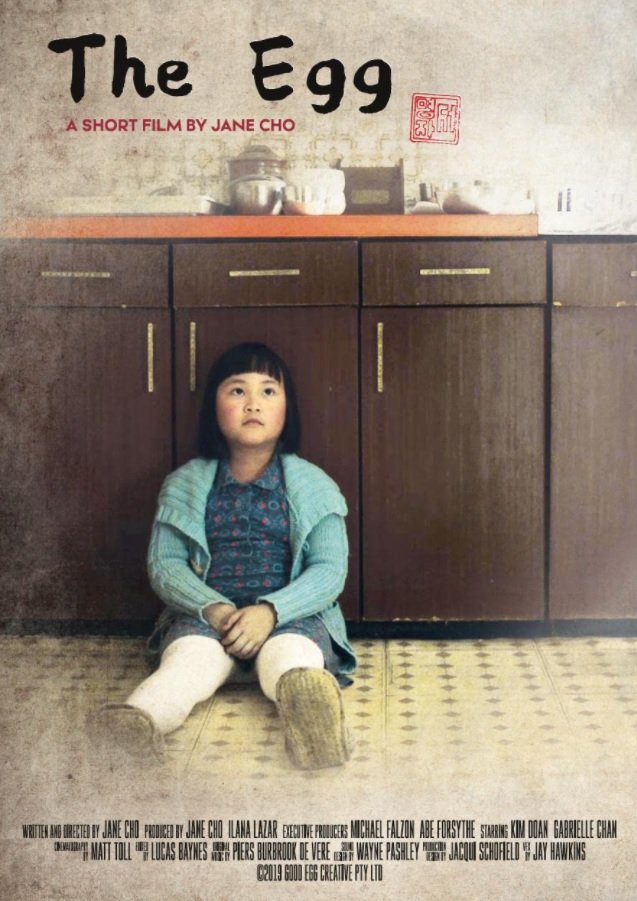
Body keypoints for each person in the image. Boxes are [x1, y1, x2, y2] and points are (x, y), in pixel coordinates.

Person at [94, 342, 356, 769]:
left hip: (291, 618)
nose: (253, 403)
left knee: (291, 658)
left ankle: (313, 717)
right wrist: (213, 610)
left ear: (287, 409)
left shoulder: (313, 485)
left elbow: (329, 571)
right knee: (186, 665)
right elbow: (166, 565)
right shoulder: (185, 484)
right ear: (213, 408)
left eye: (268, 391)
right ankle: (138, 722)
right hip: (207, 619)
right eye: (237, 391)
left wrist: (272, 612)